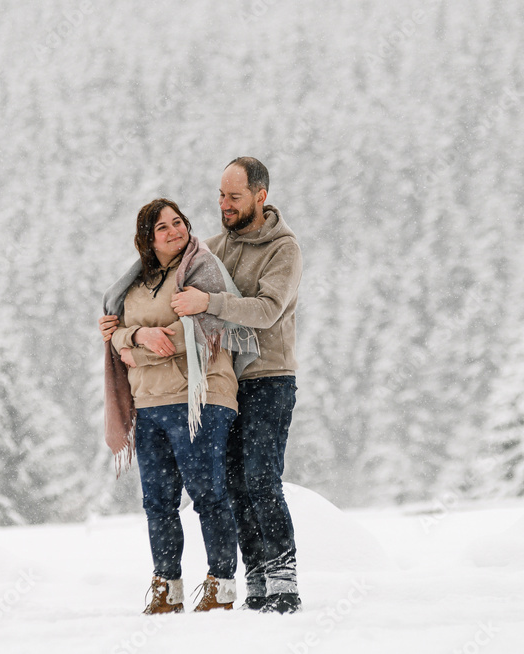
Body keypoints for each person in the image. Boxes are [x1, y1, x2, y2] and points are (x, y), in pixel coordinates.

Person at [101, 158, 304, 614]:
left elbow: (267, 310)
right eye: (219, 195)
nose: (224, 205)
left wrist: (207, 301)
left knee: (260, 478)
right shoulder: (209, 250)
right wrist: (121, 333)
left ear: (260, 196)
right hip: (226, 381)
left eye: (234, 197)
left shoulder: (283, 250)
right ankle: (255, 580)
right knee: (232, 483)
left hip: (268, 375)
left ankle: (283, 579)